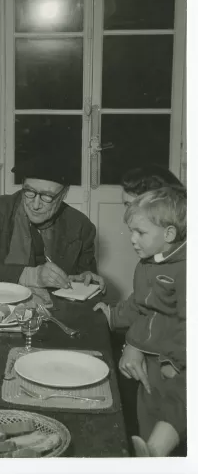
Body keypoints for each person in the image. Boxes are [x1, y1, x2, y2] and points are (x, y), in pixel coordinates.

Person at [94, 187, 186, 457]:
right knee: (147, 408)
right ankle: (146, 452)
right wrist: (112, 315)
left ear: (169, 234)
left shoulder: (185, 269)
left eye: (140, 233)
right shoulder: (146, 264)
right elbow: (138, 303)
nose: (132, 240)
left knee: (177, 408)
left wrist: (177, 361)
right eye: (131, 231)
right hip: (149, 357)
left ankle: (157, 451)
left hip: (175, 359)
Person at [0, 156, 104, 291]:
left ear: (63, 194)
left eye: (47, 196)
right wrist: (31, 276)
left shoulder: (81, 226)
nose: (35, 205)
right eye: (29, 192)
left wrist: (86, 279)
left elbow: (84, 276)